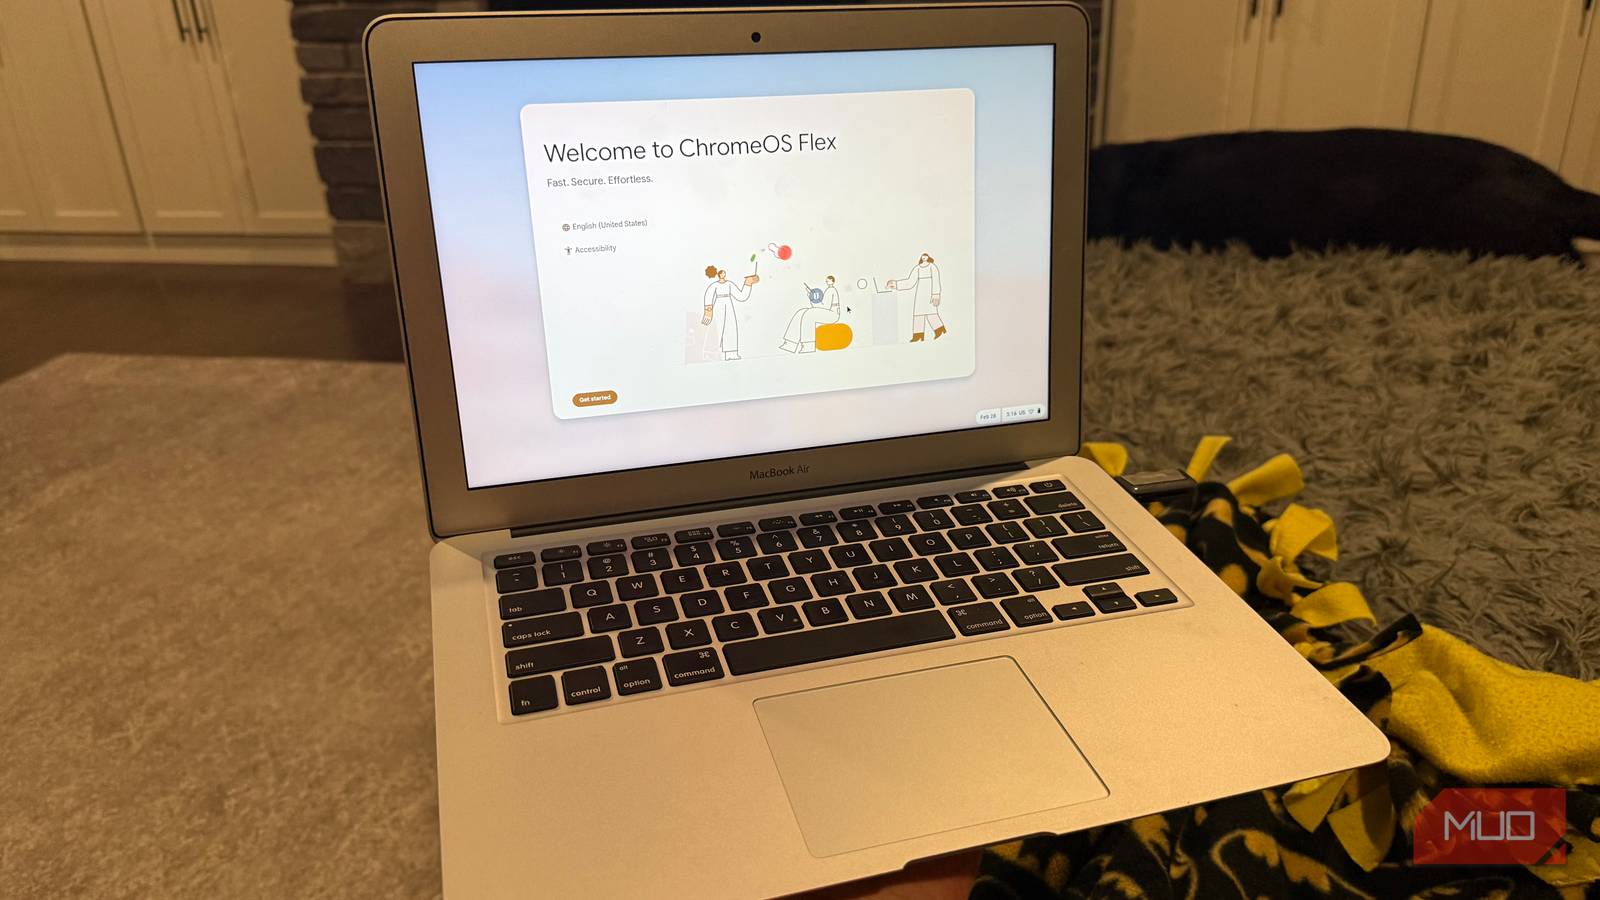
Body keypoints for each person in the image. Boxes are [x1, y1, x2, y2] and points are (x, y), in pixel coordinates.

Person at [701, 264, 758, 360]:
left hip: (729, 306)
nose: (723, 274)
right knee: (716, 328)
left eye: (724, 273)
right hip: (718, 306)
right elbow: (708, 296)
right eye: (722, 273)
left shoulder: (729, 284)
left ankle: (731, 353)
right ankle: (710, 353)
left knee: (730, 327)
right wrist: (708, 312)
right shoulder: (714, 285)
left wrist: (748, 283)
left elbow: (741, 296)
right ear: (719, 275)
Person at [887, 252, 945, 342]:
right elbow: (910, 282)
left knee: (931, 312)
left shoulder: (932, 267)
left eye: (925, 256)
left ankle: (939, 329)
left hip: (930, 292)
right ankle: (918, 335)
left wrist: (936, 294)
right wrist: (896, 284)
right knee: (918, 313)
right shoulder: (917, 268)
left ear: (928, 257)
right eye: (923, 256)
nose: (924, 258)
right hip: (920, 293)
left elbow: (936, 281)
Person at [779, 275, 840, 353]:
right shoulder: (829, 290)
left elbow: (826, 307)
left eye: (828, 280)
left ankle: (808, 345)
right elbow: (823, 306)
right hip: (828, 312)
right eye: (826, 280)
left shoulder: (831, 290)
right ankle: (790, 343)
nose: (826, 281)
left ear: (832, 281)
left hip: (832, 314)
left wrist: (812, 299)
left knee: (808, 315)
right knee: (801, 312)